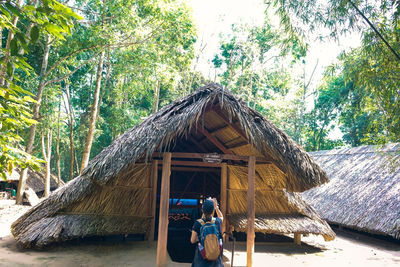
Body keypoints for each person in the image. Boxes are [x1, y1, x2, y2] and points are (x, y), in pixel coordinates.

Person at [190, 198, 224, 267]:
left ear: (202, 210)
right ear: (212, 211)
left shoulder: (198, 223)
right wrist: (216, 208)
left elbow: (192, 240)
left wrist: (199, 239)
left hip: (202, 258)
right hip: (215, 260)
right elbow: (221, 217)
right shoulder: (216, 221)